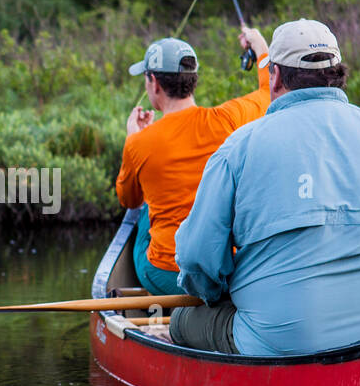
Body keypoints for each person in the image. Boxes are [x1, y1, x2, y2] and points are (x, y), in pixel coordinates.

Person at [171, 18, 360, 356]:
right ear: (337, 72)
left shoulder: (237, 148)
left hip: (280, 340)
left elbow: (196, 258)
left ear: (276, 76)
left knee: (181, 320)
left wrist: (216, 292)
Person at [115, 31, 272, 296]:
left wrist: (134, 139)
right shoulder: (228, 119)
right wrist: (261, 48)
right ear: (193, 80)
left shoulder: (138, 143)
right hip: (221, 269)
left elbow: (128, 199)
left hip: (166, 272)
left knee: (143, 209)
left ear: (154, 82)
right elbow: (268, 93)